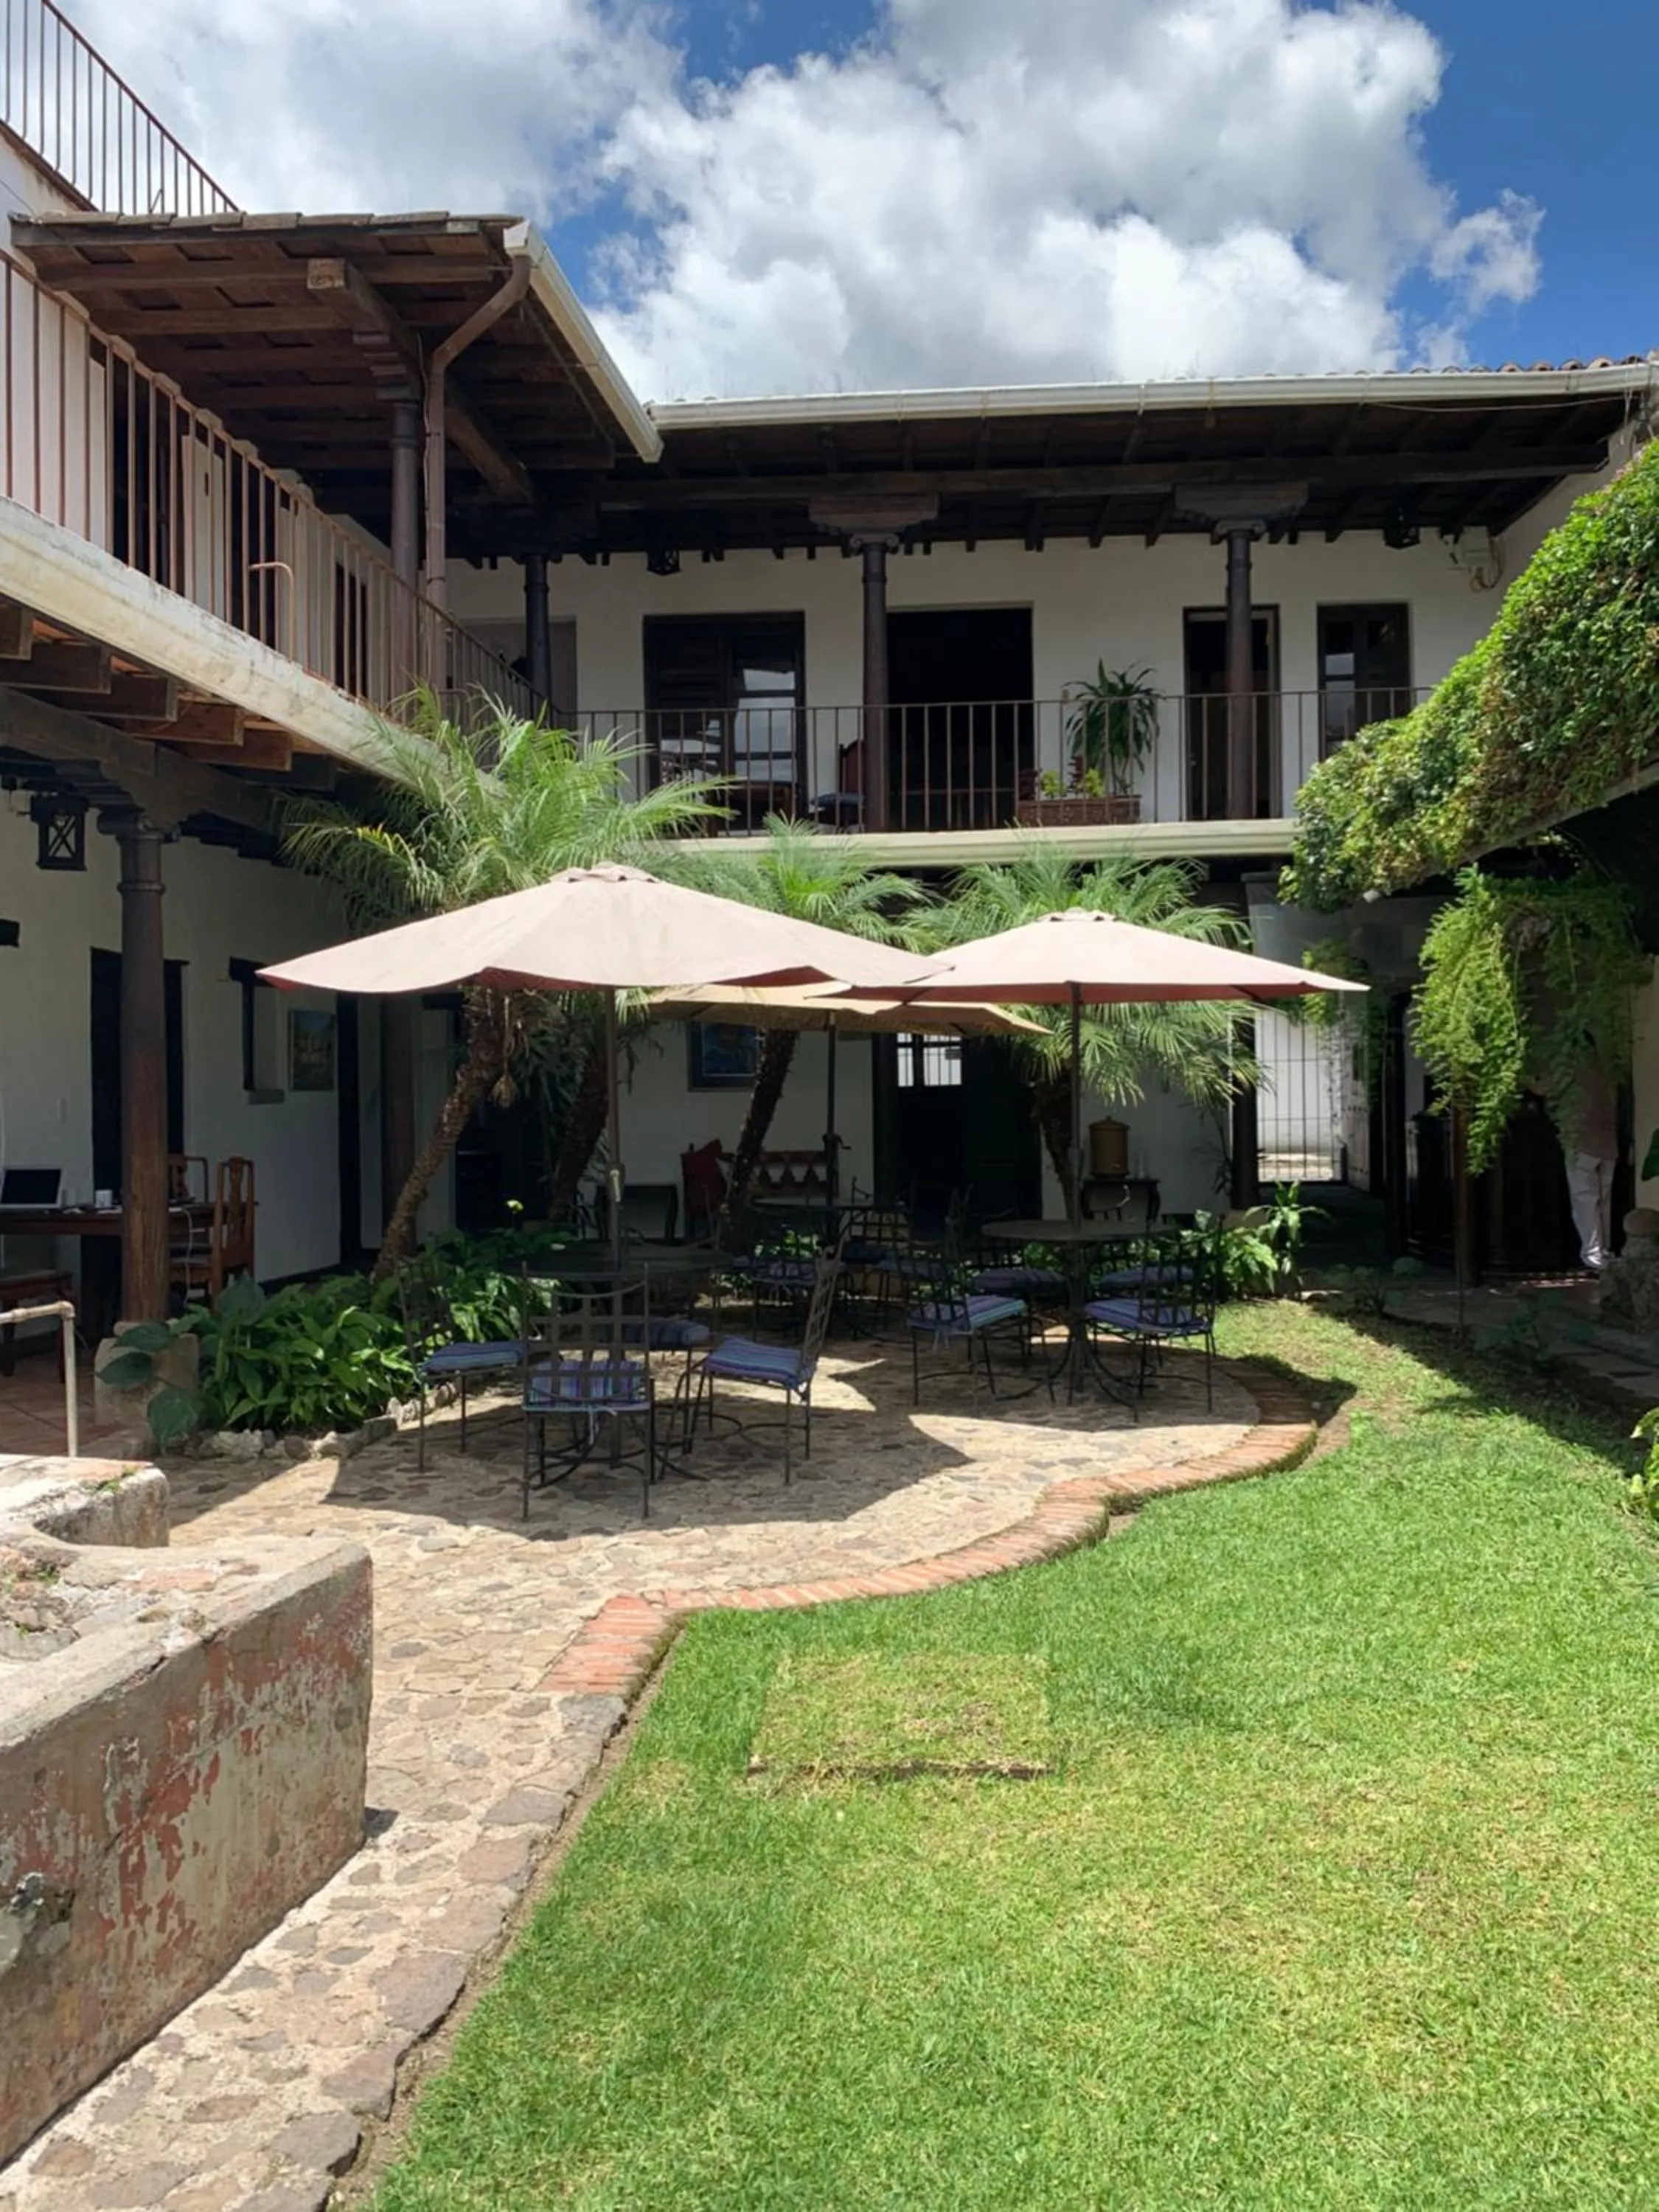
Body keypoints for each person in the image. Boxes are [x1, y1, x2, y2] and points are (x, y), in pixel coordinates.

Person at [1562, 1060, 1618, 1272]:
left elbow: (1545, 1090)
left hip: (1582, 1142)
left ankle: (1593, 1254)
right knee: (1604, 1200)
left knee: (1584, 1200)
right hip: (1608, 1142)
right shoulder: (1606, 1068)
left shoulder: (1567, 1066)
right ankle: (1604, 1252)